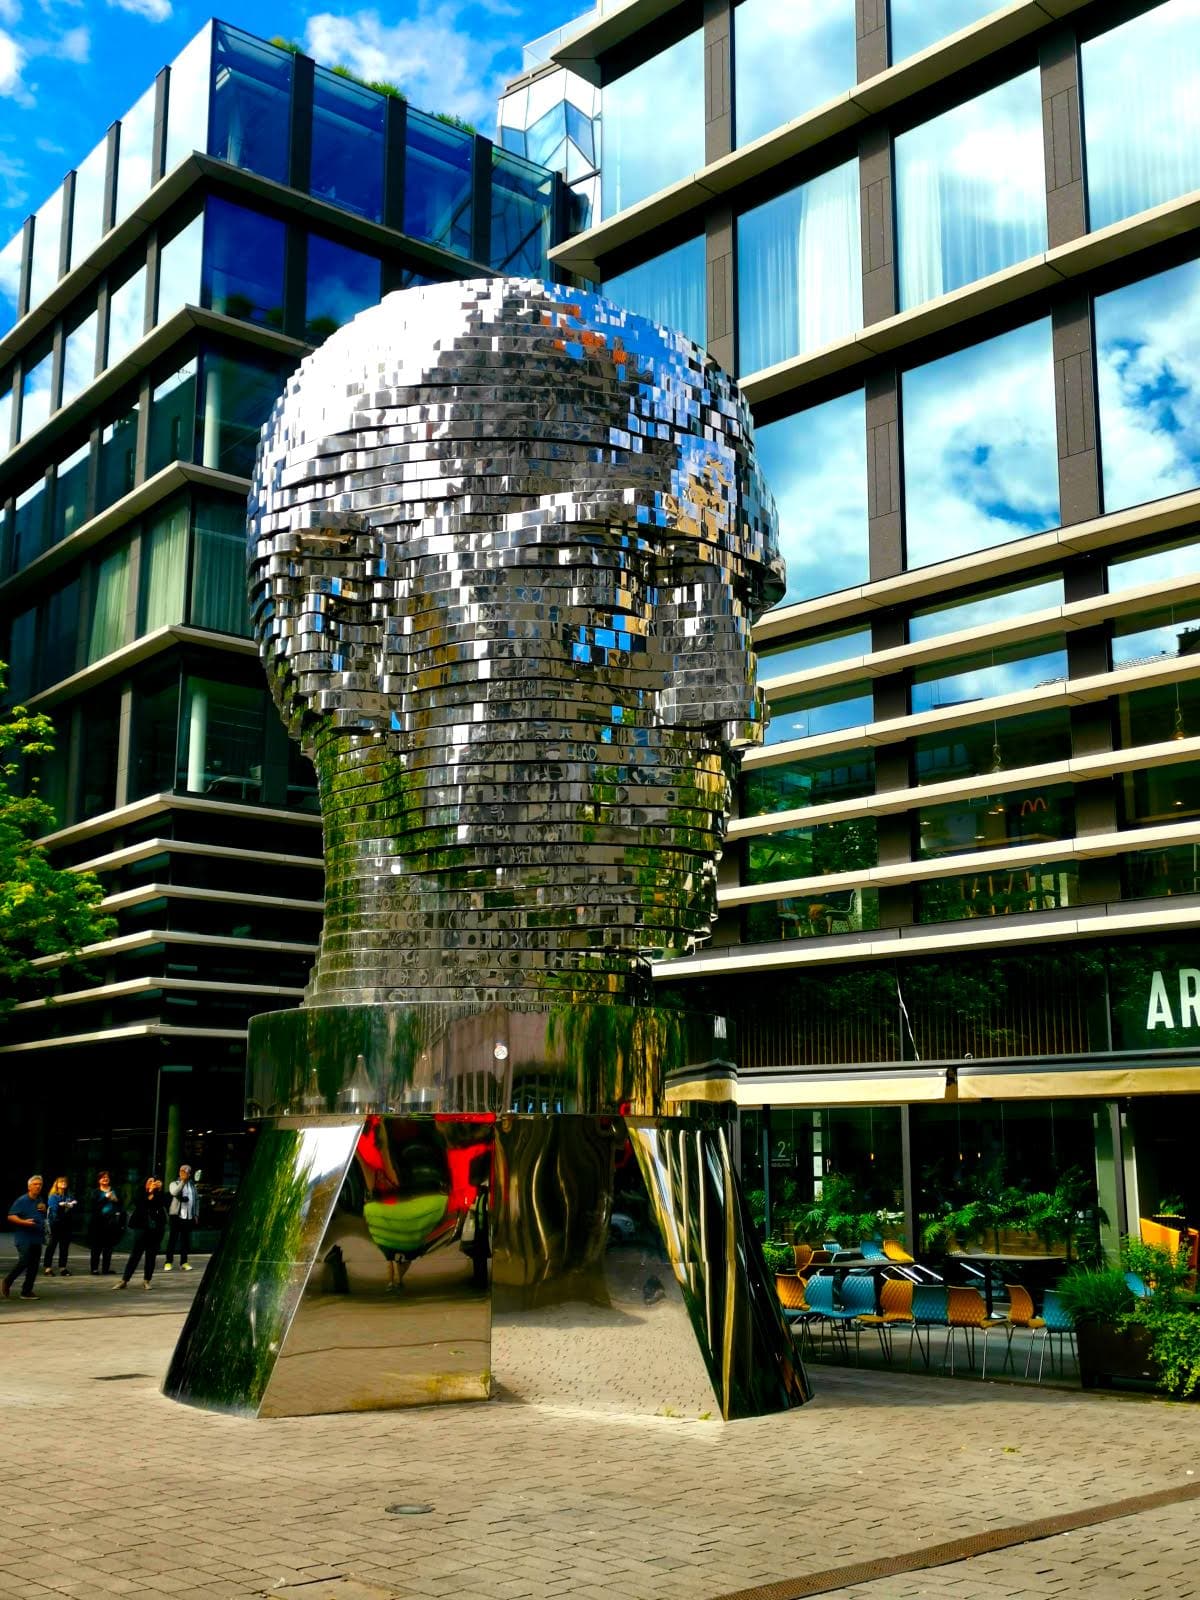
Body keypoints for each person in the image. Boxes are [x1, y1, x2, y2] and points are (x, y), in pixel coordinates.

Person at [113, 1176, 168, 1290]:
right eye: (150, 1182)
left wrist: (158, 1190)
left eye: (154, 1182)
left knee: (151, 1255)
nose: (152, 1183)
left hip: (156, 1229)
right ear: (145, 1184)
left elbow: (161, 1203)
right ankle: (124, 1280)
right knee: (135, 1254)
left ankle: (147, 1280)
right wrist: (149, 1192)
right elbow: (141, 1204)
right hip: (141, 1227)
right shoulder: (140, 1193)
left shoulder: (160, 1194)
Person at [3, 1175, 47, 1299]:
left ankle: (26, 1291)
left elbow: (41, 1215)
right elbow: (11, 1216)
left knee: (34, 1265)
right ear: (29, 1186)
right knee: (25, 1261)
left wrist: (44, 1210)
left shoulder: (40, 1200)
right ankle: (7, 1281)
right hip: (24, 1238)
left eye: (40, 1184)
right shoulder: (22, 1200)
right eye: (35, 1184)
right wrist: (24, 1222)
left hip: (37, 1237)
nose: (38, 1186)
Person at [88, 1172, 125, 1275]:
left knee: (108, 1247)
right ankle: (94, 1268)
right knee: (96, 1246)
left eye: (107, 1177)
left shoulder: (115, 1190)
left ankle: (106, 1269)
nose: (105, 1179)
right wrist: (106, 1198)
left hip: (112, 1221)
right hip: (98, 1222)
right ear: (99, 1180)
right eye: (103, 1177)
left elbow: (121, 1204)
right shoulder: (95, 1192)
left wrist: (116, 1200)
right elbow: (93, 1206)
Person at [164, 1165, 200, 1271]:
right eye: (182, 1171)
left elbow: (197, 1200)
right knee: (173, 1239)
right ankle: (168, 1261)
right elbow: (174, 1192)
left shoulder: (193, 1186)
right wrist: (182, 1182)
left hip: (188, 1216)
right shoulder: (174, 1183)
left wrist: (196, 1214)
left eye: (187, 1172)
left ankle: (184, 1262)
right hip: (176, 1215)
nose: (184, 1173)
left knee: (185, 1240)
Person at [43, 1177, 78, 1276]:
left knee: (64, 1247)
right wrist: (64, 1205)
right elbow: (54, 1207)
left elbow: (75, 1204)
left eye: (65, 1182)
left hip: (67, 1224)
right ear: (56, 1184)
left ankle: (63, 1268)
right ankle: (48, 1268)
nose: (64, 1183)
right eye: (61, 1182)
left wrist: (70, 1204)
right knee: (52, 1246)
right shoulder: (53, 1196)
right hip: (55, 1224)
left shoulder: (69, 1195)